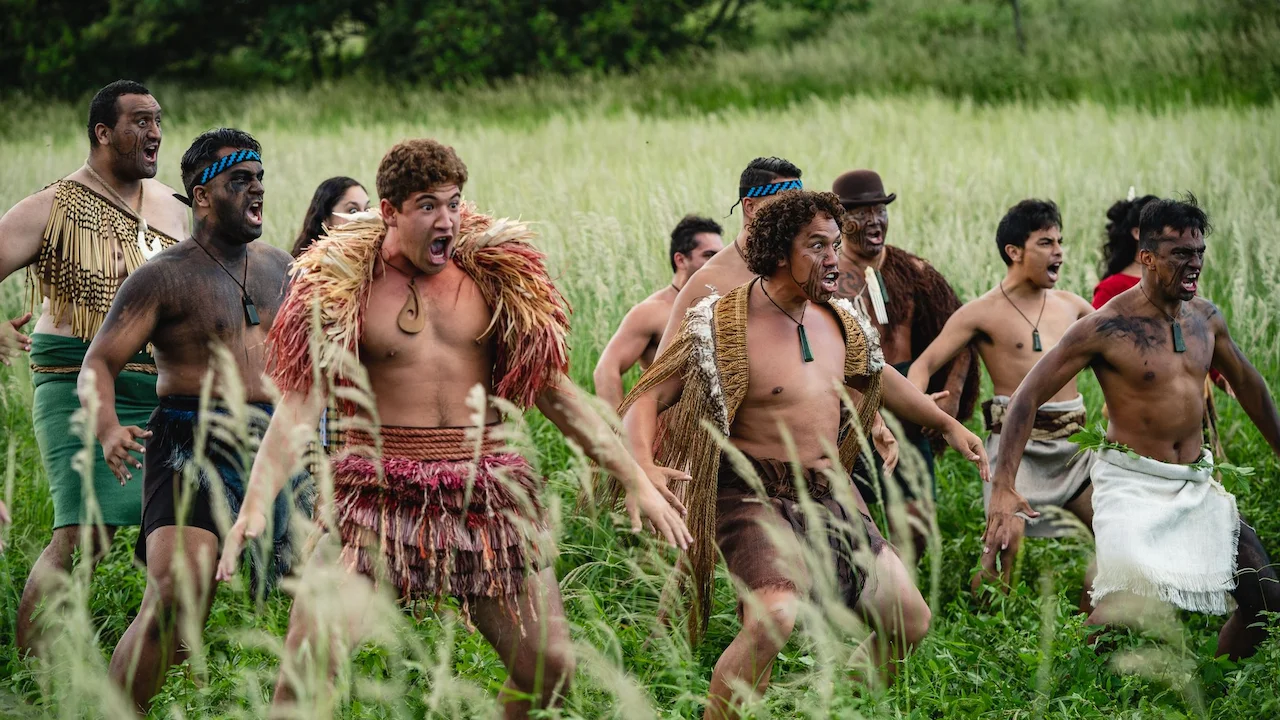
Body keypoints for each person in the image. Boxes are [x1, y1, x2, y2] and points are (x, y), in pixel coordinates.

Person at [214, 139, 691, 718]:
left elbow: (557, 395)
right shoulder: (345, 289)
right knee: (309, 666)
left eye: (454, 203)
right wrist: (256, 504)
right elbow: (297, 407)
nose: (447, 220)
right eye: (427, 206)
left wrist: (634, 476)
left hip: (484, 494)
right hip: (376, 498)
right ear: (388, 211)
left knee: (549, 671)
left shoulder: (493, 280)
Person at [618, 190, 989, 719]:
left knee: (910, 621)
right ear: (777, 253)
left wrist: (947, 425)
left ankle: (835, 704)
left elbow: (876, 375)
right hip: (751, 496)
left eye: (835, 244)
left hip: (827, 492)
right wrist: (644, 466)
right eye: (817, 246)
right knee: (775, 616)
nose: (834, 258)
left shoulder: (839, 318)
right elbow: (647, 396)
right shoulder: (723, 323)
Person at [982, 195, 1279, 660]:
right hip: (1132, 484)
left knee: (1266, 600)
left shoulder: (1206, 319)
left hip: (1195, 483)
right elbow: (1026, 397)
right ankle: (1079, 691)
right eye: (1180, 254)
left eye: (1199, 252)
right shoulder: (1106, 328)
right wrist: (1003, 486)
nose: (1194, 264)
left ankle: (1218, 687)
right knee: (1118, 614)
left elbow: (1249, 385)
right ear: (1146, 256)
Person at [78, 128, 307, 712]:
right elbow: (98, 363)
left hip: (271, 441)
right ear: (202, 196)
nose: (257, 190)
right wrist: (107, 426)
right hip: (188, 442)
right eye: (240, 181)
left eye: (260, 179)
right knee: (178, 593)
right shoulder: (164, 276)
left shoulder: (281, 268)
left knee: (317, 597)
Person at [0, 79, 187, 656]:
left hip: (159, 389)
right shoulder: (53, 205)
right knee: (82, 533)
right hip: (73, 386)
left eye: (158, 120)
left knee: (176, 539)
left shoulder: (177, 208)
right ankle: (29, 675)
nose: (154, 132)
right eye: (139, 121)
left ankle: (165, 667)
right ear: (103, 132)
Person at [907, 200, 1096, 605]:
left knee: (1115, 532)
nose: (1059, 251)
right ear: (1014, 251)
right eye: (1046, 242)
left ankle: (1091, 627)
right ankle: (989, 624)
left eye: (1060, 241)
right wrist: (922, 399)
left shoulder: (1074, 306)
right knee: (1002, 548)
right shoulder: (981, 313)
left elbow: (1122, 362)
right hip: (1016, 452)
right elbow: (923, 364)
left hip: (1075, 449)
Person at [830, 169, 979, 559]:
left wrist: (952, 400)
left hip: (910, 410)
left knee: (916, 525)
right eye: (861, 213)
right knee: (846, 525)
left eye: (880, 210)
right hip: (850, 413)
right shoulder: (826, 279)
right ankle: (862, 597)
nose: (874, 220)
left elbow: (962, 334)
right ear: (839, 221)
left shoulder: (915, 271)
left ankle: (905, 600)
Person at [592, 214, 724, 408]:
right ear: (680, 260)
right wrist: (618, 432)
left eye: (720, 255)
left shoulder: (722, 306)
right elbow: (605, 370)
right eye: (708, 255)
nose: (717, 262)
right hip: (668, 430)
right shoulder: (652, 312)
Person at [1092, 189, 1159, 308]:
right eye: (1159, 227)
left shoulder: (1175, 282)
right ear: (1137, 233)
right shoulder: (1111, 289)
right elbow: (1094, 326)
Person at [290, 176, 371, 257]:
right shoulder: (313, 266)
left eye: (367, 209)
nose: (364, 218)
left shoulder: (376, 260)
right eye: (353, 211)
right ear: (325, 218)